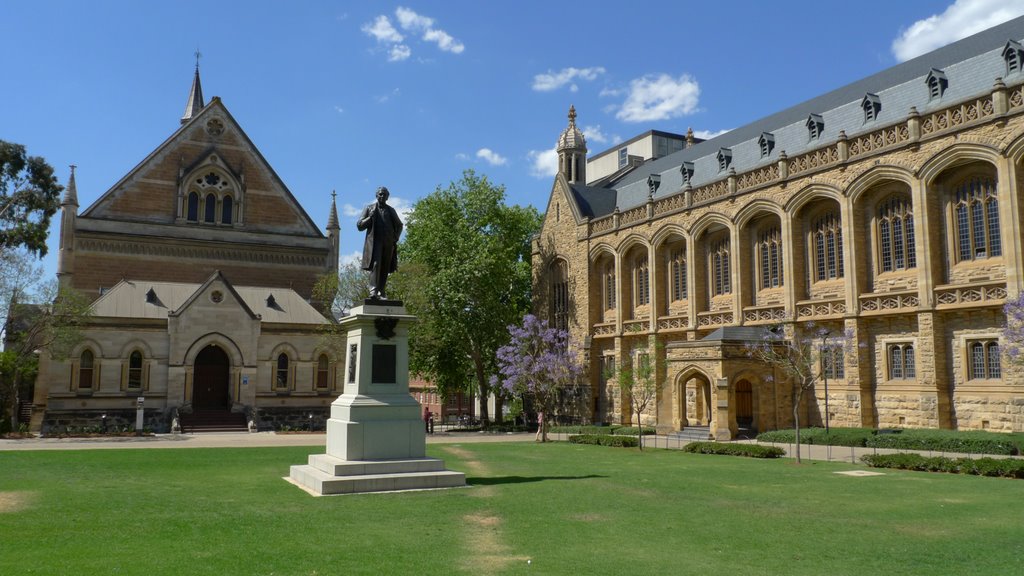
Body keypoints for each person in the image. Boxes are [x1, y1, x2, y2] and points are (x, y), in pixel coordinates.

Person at [357, 186, 403, 300]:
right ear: (376, 195)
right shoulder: (369, 208)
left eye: (384, 194)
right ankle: (373, 291)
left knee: (385, 267)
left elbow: (399, 225)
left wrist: (395, 238)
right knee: (376, 265)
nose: (382, 196)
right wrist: (370, 218)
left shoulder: (391, 210)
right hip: (375, 243)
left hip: (388, 243)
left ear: (387, 197)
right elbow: (360, 226)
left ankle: (381, 291)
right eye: (380, 194)